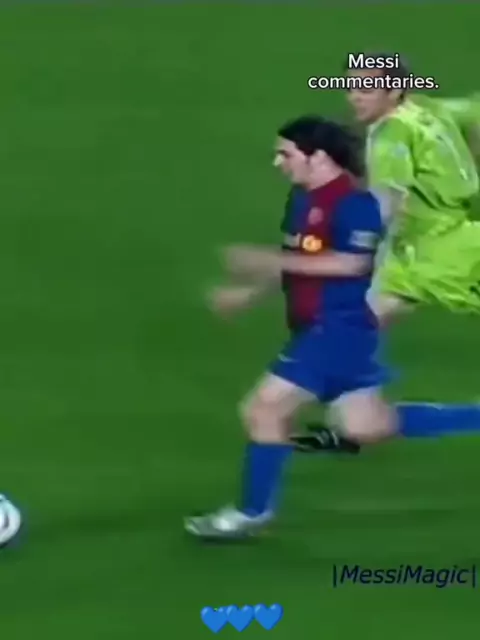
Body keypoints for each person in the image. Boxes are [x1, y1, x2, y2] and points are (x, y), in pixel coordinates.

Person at [184, 115, 395, 540]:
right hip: (318, 328)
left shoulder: (354, 204)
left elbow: (352, 263)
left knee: (263, 410)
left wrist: (266, 260)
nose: (278, 163)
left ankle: (252, 513)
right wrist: (248, 294)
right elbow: (299, 260)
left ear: (319, 157)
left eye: (286, 154)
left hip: (337, 330)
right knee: (366, 426)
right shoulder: (303, 200)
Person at [292, 54, 480, 454]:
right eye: (352, 86)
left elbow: (386, 205)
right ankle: (354, 424)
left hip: (445, 257)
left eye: (366, 88)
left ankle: (356, 423)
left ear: (394, 92)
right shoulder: (430, 108)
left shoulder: (391, 137)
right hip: (426, 251)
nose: (354, 95)